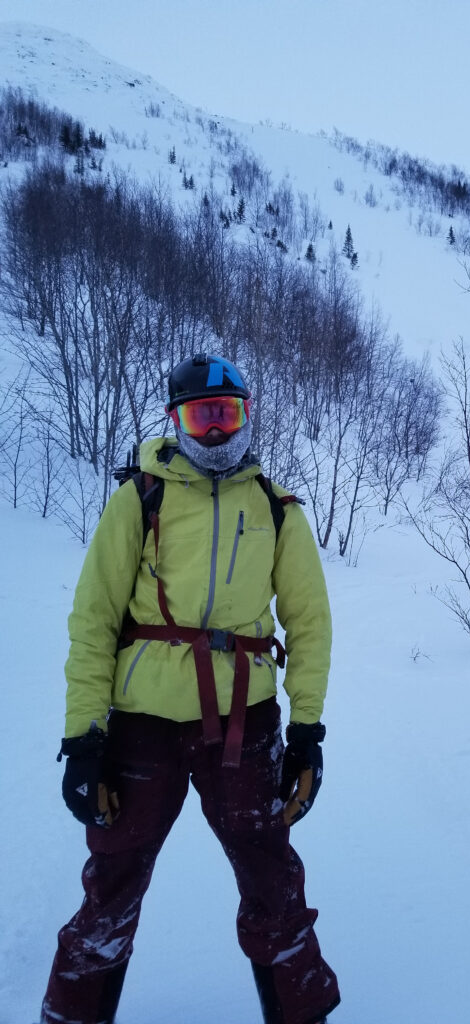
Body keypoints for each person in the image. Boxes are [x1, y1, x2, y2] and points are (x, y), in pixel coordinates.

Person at [40, 353, 340, 1024]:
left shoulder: (276, 509)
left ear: (246, 417)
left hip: (245, 724)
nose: (215, 434)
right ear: (175, 422)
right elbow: (93, 620)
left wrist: (307, 733)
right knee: (112, 886)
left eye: (226, 415)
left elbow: (310, 624)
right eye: (201, 418)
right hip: (142, 727)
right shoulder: (139, 499)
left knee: (272, 878)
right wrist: (84, 740)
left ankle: (300, 1013)